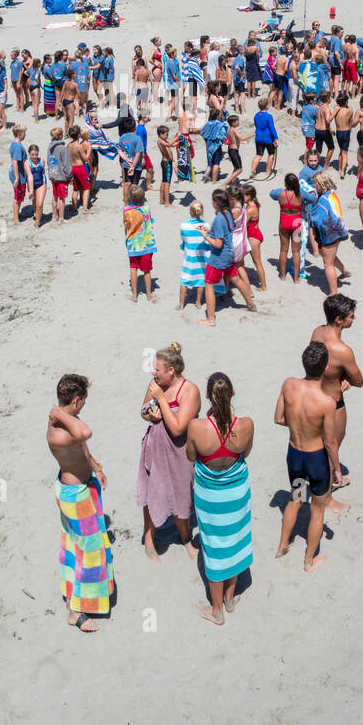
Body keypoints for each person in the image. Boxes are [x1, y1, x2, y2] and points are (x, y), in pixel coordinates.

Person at [187, 372, 254, 625]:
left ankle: (217, 611)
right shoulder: (246, 424)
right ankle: (229, 597)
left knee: (213, 547)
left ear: (207, 397)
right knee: (235, 540)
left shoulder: (197, 427)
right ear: (233, 394)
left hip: (210, 496)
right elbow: (245, 452)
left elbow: (191, 457)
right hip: (237, 492)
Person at [48, 373, 113, 631]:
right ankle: (75, 611)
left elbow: (82, 445)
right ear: (76, 400)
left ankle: (78, 594)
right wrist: (61, 414)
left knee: (76, 545)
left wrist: (96, 467)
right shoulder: (59, 432)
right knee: (89, 550)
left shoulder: (68, 422)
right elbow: (85, 433)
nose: (84, 405)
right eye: (83, 401)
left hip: (82, 487)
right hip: (75, 495)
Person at [274, 342, 344, 571]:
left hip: (295, 454)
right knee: (317, 509)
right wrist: (337, 469)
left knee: (295, 499)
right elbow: (330, 442)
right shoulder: (327, 402)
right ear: (325, 369)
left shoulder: (288, 385)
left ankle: (283, 545)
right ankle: (309, 560)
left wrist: (297, 425)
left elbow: (278, 418)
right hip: (315, 460)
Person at [137, 344, 200, 560]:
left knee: (181, 494)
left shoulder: (190, 391)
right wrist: (152, 416)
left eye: (157, 370)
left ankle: (184, 538)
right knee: (152, 491)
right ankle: (149, 539)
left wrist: (162, 401)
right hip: (155, 448)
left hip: (180, 452)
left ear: (171, 370)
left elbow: (178, 428)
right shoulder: (156, 384)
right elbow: (143, 411)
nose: (153, 373)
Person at [311, 295, 363, 483]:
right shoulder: (343, 350)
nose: (354, 318)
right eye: (351, 316)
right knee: (332, 447)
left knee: (319, 445)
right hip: (334, 403)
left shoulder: (317, 332)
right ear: (339, 320)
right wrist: (347, 377)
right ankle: (329, 493)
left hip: (314, 396)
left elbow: (313, 362)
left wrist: (340, 375)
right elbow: (359, 381)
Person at [197, 188, 256, 326]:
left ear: (216, 203)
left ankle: (211, 319)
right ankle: (250, 304)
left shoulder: (218, 218)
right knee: (235, 278)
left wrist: (205, 236)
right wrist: (210, 231)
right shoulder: (228, 213)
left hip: (219, 257)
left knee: (209, 284)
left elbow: (218, 244)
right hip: (230, 253)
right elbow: (223, 232)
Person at [123, 185, 156, 302]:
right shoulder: (146, 208)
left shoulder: (126, 211)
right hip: (147, 244)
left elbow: (126, 226)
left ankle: (135, 295)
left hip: (133, 244)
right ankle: (149, 294)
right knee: (147, 270)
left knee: (133, 269)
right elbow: (150, 221)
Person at [179, 201, 211, 309]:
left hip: (189, 257)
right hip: (202, 257)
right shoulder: (206, 225)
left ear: (190, 212)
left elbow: (184, 240)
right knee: (201, 280)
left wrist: (183, 247)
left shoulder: (184, 226)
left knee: (184, 279)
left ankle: (181, 303)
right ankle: (198, 302)